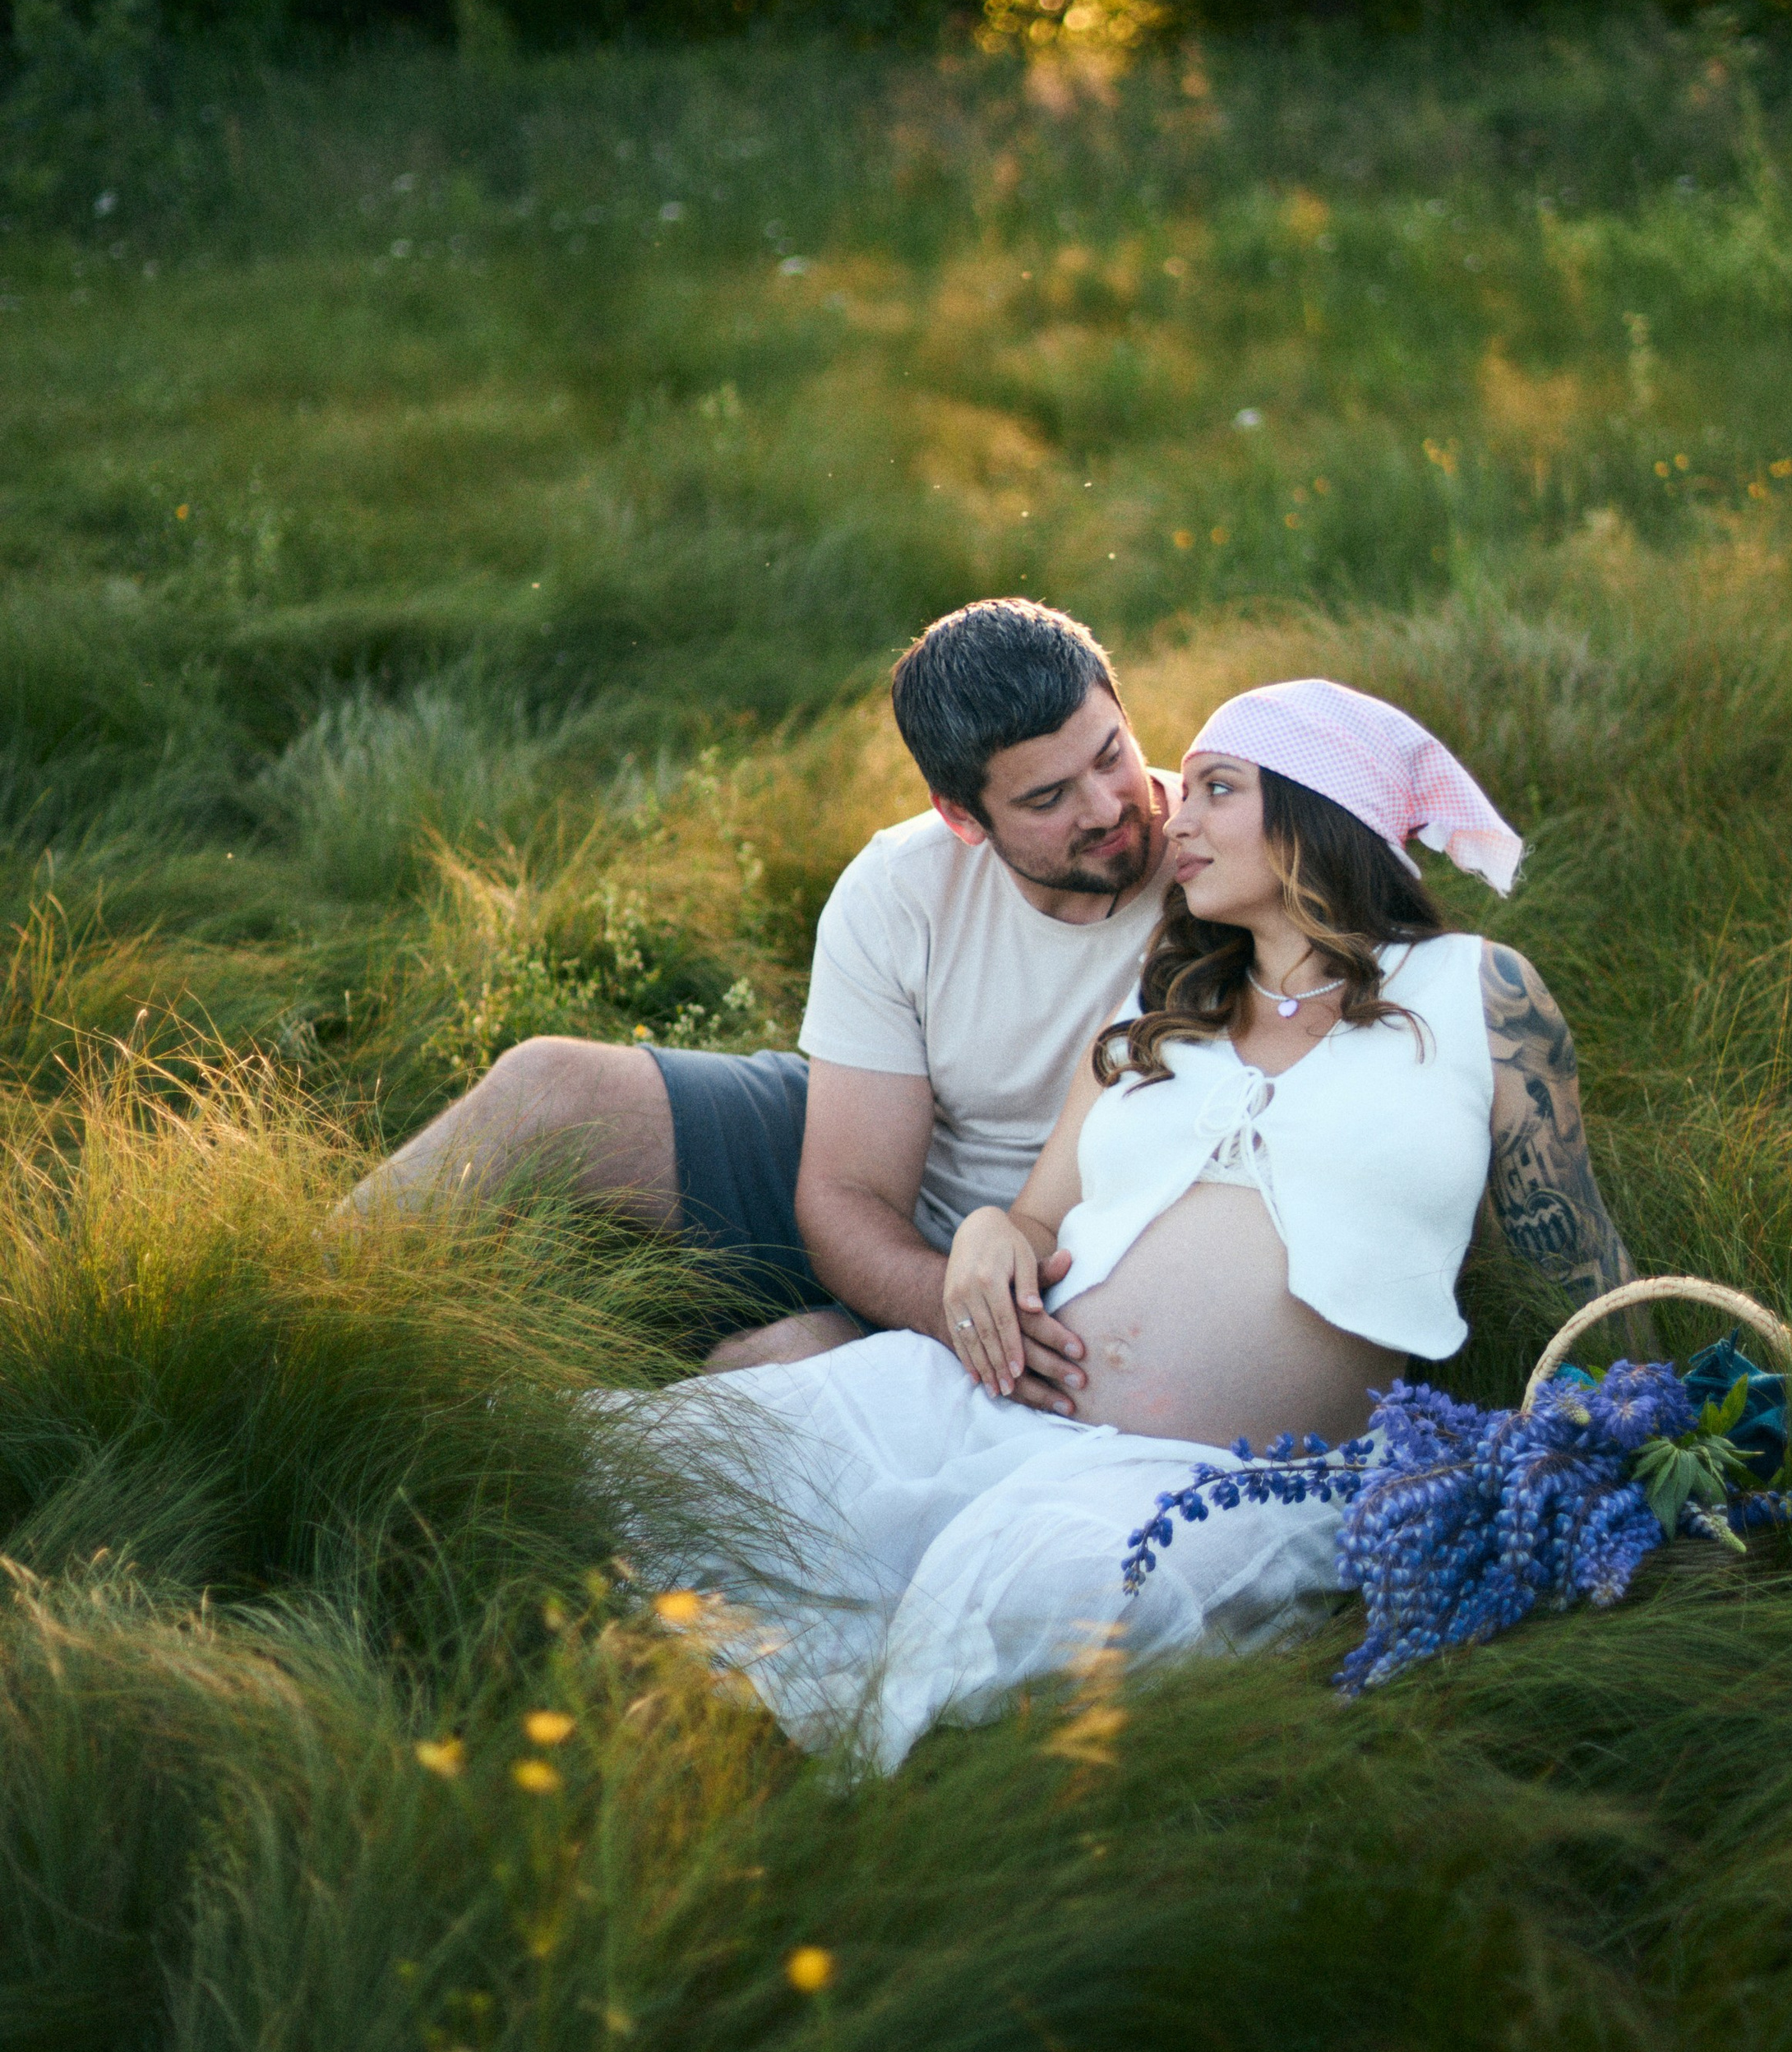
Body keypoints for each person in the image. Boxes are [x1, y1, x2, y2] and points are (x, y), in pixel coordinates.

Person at [610, 679, 1636, 1774]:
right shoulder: (1165, 1007)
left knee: (1039, 1602)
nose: (1173, 820)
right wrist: (989, 1239)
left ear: (1318, 800)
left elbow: (1583, 1259)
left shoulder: (1473, 993)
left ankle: (753, 1759)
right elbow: (1037, 1213)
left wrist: (1661, 1444)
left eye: (1216, 791)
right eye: (1184, 791)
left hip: (1227, 1478)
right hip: (1002, 1407)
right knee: (673, 1463)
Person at [343, 599, 1175, 1411]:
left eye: (1111, 757)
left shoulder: (1234, 869)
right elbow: (849, 1192)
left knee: (777, 1367)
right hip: (911, 1212)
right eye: (1047, 799)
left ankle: (585, 1447)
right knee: (548, 1087)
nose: (1106, 808)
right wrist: (949, 1308)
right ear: (961, 818)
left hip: (1069, 1268)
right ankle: (285, 1309)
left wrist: (997, 1318)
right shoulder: (901, 889)